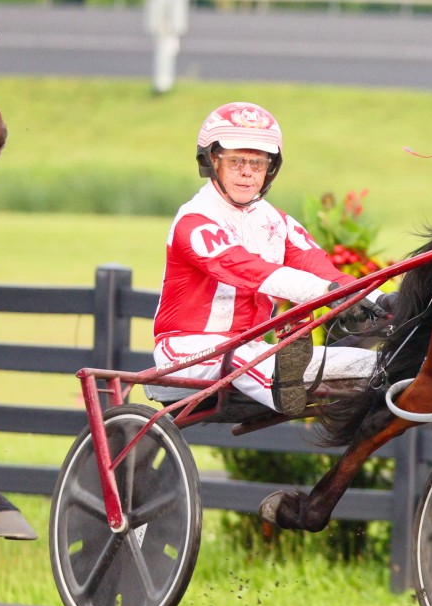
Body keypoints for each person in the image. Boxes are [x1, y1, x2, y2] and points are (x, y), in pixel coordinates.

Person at [152, 102, 380, 412]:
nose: (247, 172)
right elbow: (251, 271)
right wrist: (328, 295)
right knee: (253, 360)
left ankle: (291, 380)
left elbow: (324, 271)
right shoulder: (194, 222)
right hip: (188, 351)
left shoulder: (278, 222)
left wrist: (379, 301)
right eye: (236, 162)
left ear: (270, 168)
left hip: (257, 351)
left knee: (375, 364)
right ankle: (283, 389)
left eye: (257, 163)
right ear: (211, 162)